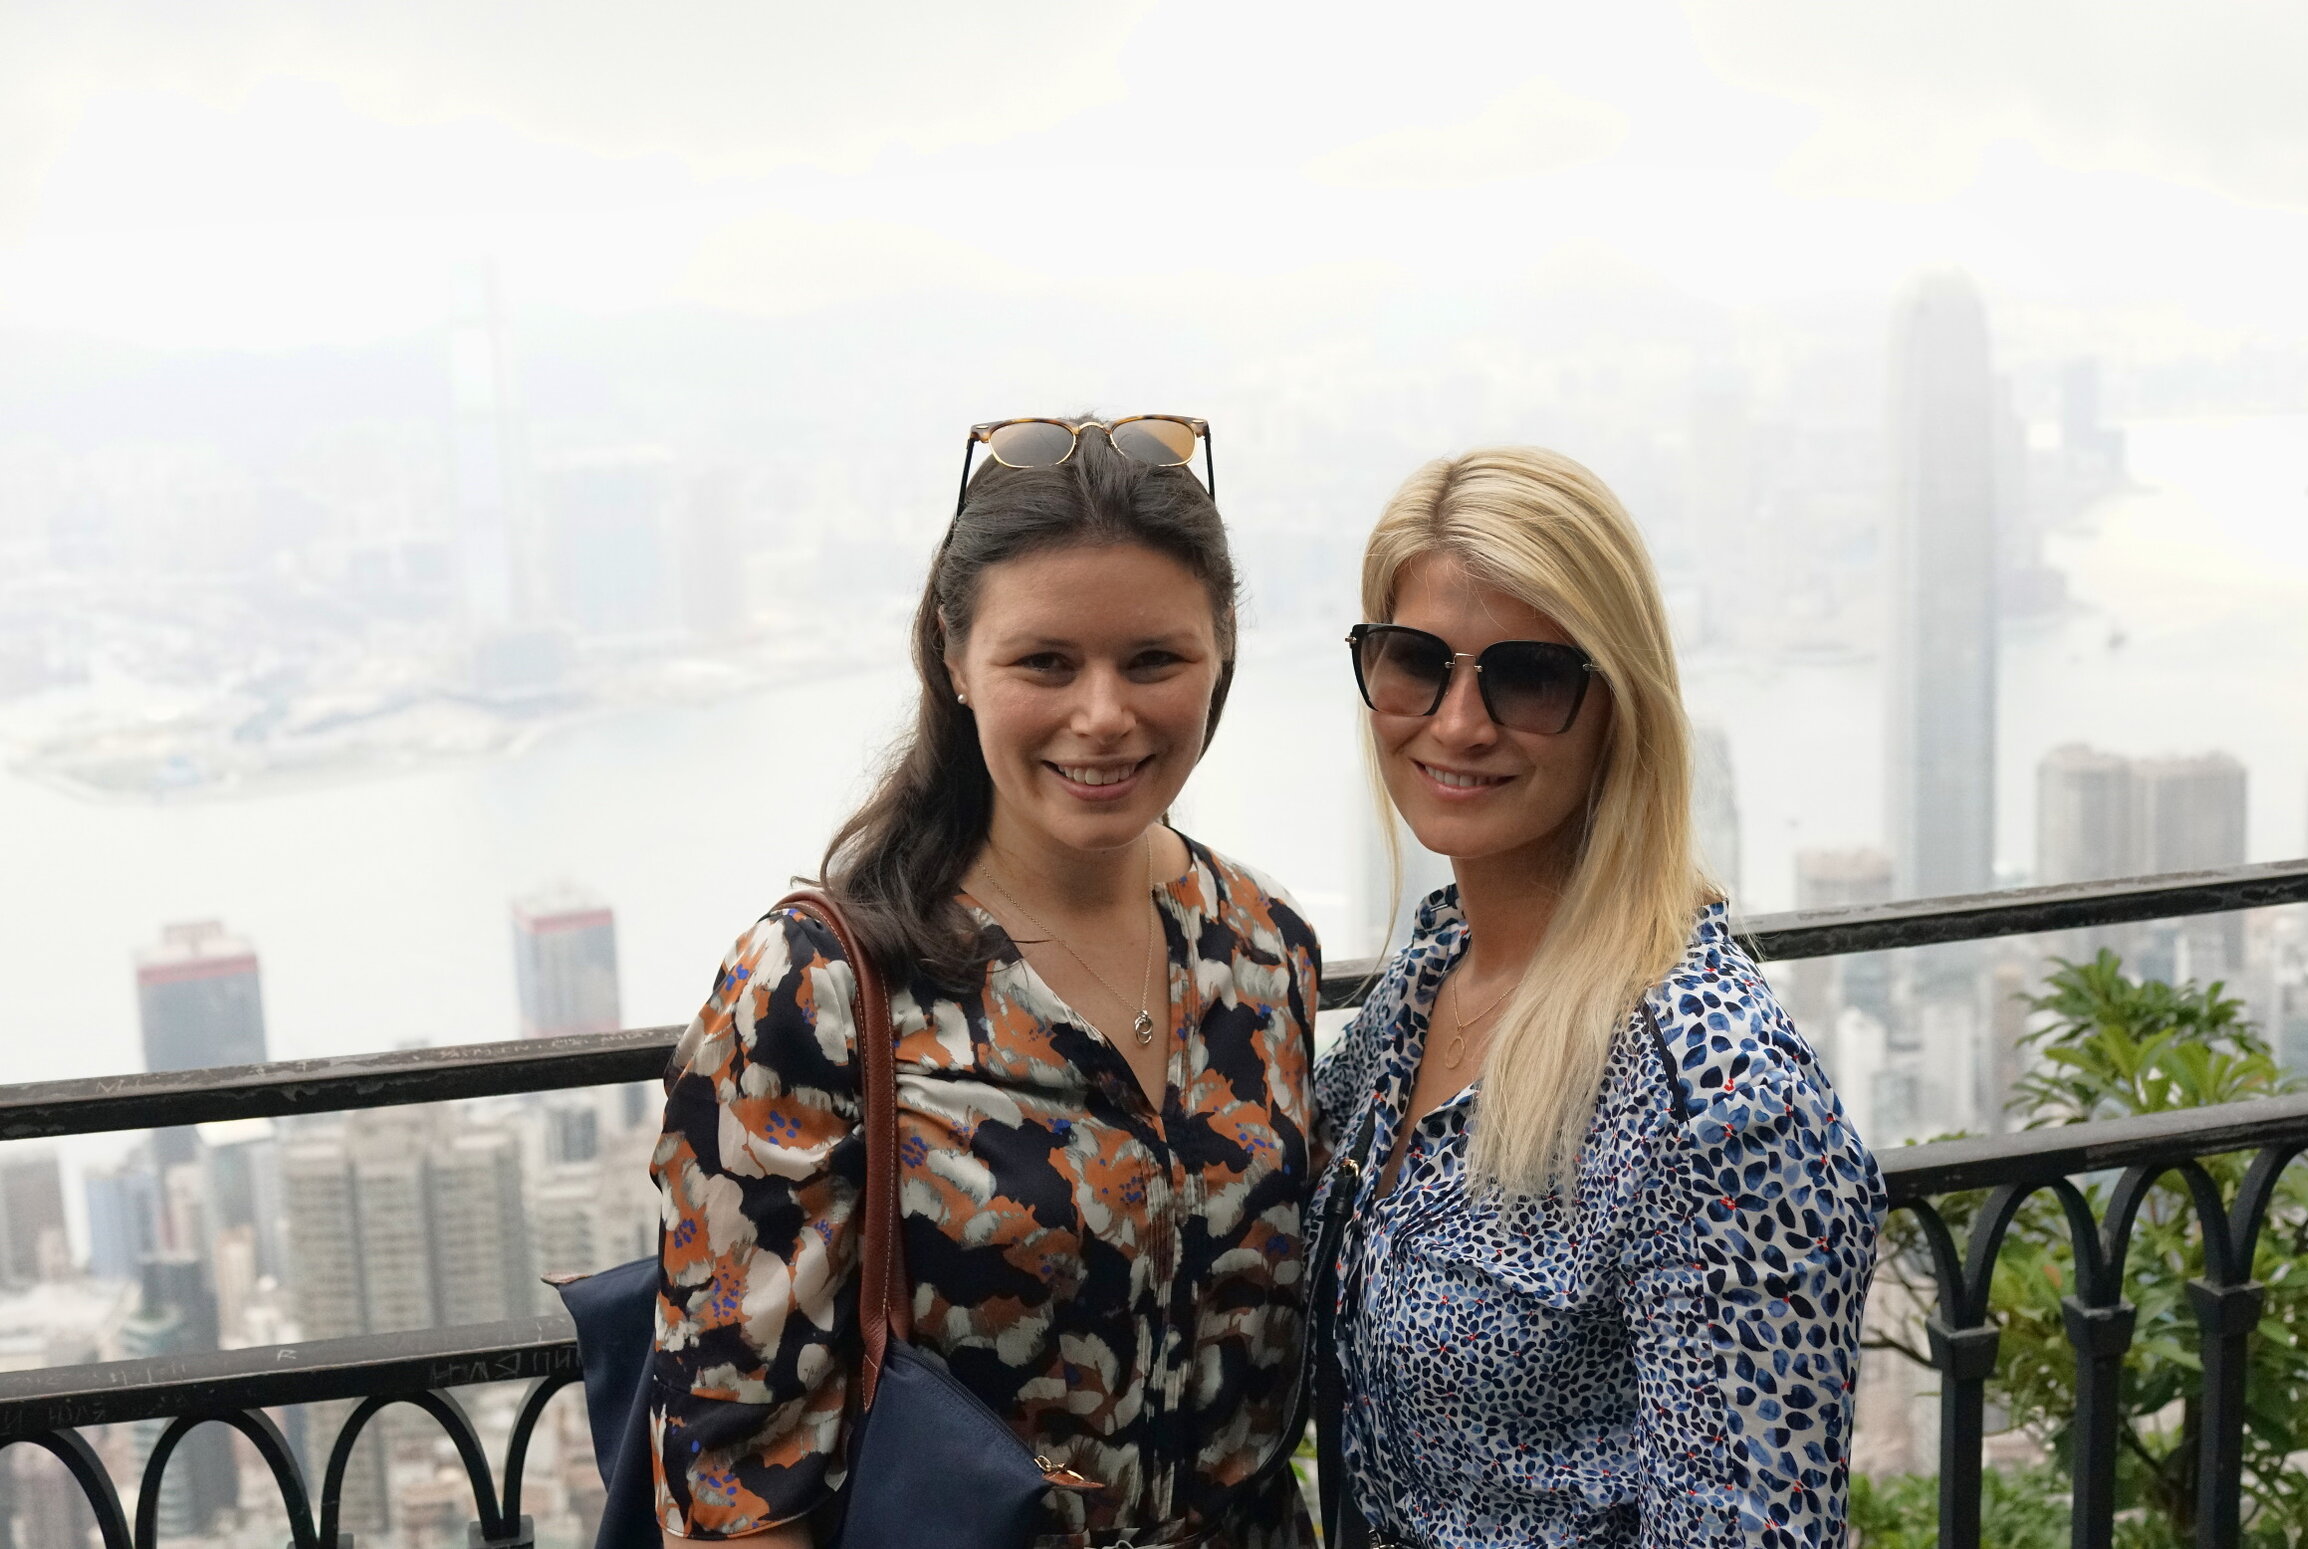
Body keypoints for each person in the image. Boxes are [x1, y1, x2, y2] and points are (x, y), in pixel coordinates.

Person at [651, 418, 1321, 1549]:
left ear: (1220, 658)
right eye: (1044, 662)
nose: (1102, 714)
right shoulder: (815, 989)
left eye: (1153, 660)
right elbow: (735, 1489)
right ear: (955, 662)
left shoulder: (1260, 948)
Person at [1312, 447, 1884, 1548]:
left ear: (1617, 703)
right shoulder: (1430, 981)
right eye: (1413, 660)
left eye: (1526, 676)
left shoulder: (1716, 1091)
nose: (1458, 722)